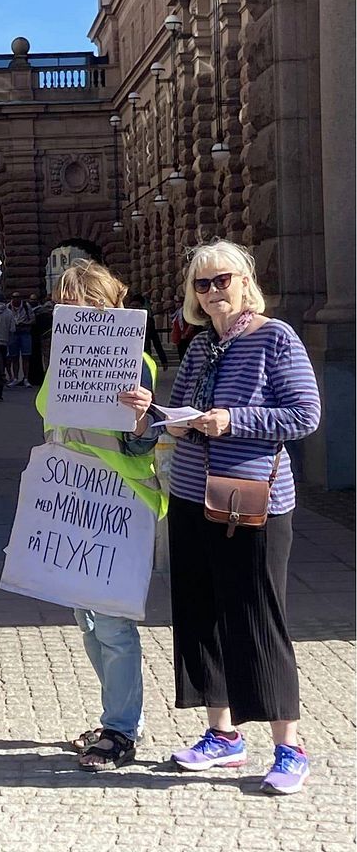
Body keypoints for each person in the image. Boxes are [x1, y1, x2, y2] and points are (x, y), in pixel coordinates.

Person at [165, 240, 321, 795]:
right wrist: (162, 418)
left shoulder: (275, 338)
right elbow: (180, 411)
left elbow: (304, 415)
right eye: (201, 286)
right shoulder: (201, 346)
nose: (211, 294)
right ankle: (223, 736)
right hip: (189, 496)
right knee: (201, 613)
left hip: (251, 499)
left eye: (221, 281)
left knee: (259, 617)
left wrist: (232, 421)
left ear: (244, 281)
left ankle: (289, 746)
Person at [36, 260, 167, 770]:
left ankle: (121, 730)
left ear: (97, 305)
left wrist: (141, 419)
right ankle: (118, 716)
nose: (61, 313)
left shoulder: (134, 362)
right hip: (72, 501)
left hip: (119, 503)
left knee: (111, 624)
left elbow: (141, 444)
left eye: (70, 303)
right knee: (88, 621)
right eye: (60, 305)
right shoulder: (64, 358)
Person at [129, 294, 168, 370]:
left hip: (145, 353)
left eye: (137, 306)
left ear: (142, 307)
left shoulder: (148, 321)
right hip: (129, 353)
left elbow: (156, 341)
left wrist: (163, 360)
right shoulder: (125, 320)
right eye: (132, 306)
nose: (135, 309)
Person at [7, 291, 34, 387]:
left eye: (18, 297)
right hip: (13, 334)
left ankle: (26, 378)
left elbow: (32, 319)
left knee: (26, 356)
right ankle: (15, 378)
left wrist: (25, 324)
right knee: (14, 357)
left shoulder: (26, 307)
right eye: (14, 297)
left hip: (25, 333)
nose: (16, 299)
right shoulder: (8, 307)